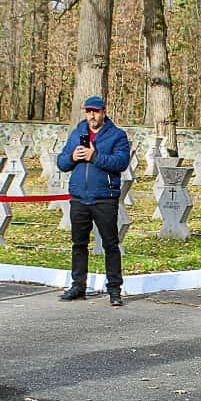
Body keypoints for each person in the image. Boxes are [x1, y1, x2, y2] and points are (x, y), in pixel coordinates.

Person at [56, 94, 132, 306]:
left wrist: (94, 156)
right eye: (88, 111)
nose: (91, 115)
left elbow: (121, 162)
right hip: (80, 197)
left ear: (104, 112)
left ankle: (115, 290)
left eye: (95, 111)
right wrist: (73, 157)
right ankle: (78, 285)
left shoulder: (117, 135)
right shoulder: (77, 133)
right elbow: (61, 162)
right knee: (78, 244)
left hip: (104, 197)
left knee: (110, 244)